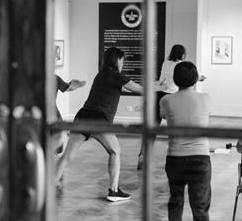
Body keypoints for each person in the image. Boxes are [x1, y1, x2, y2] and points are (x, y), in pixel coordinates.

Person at [55, 47, 165, 202]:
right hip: (98, 119)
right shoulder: (116, 76)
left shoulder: (101, 74)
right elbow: (141, 90)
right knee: (115, 151)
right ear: (116, 60)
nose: (123, 63)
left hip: (83, 115)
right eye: (122, 60)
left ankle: (50, 185)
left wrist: (155, 84)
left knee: (67, 156)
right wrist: (160, 87)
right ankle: (113, 191)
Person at [137, 44, 206, 170]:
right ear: (183, 55)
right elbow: (187, 78)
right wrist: (200, 78)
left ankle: (142, 157)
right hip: (172, 98)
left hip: (158, 96)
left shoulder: (165, 63)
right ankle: (177, 157)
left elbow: (163, 79)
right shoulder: (180, 66)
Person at [160, 61, 211, 221]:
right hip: (200, 157)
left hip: (175, 157)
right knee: (200, 207)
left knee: (176, 200)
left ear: (175, 79)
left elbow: (163, 115)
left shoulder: (166, 100)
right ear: (196, 79)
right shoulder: (206, 98)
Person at [53, 75, 85, 154]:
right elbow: (69, 88)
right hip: (51, 110)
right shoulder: (54, 77)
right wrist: (77, 85)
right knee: (59, 133)